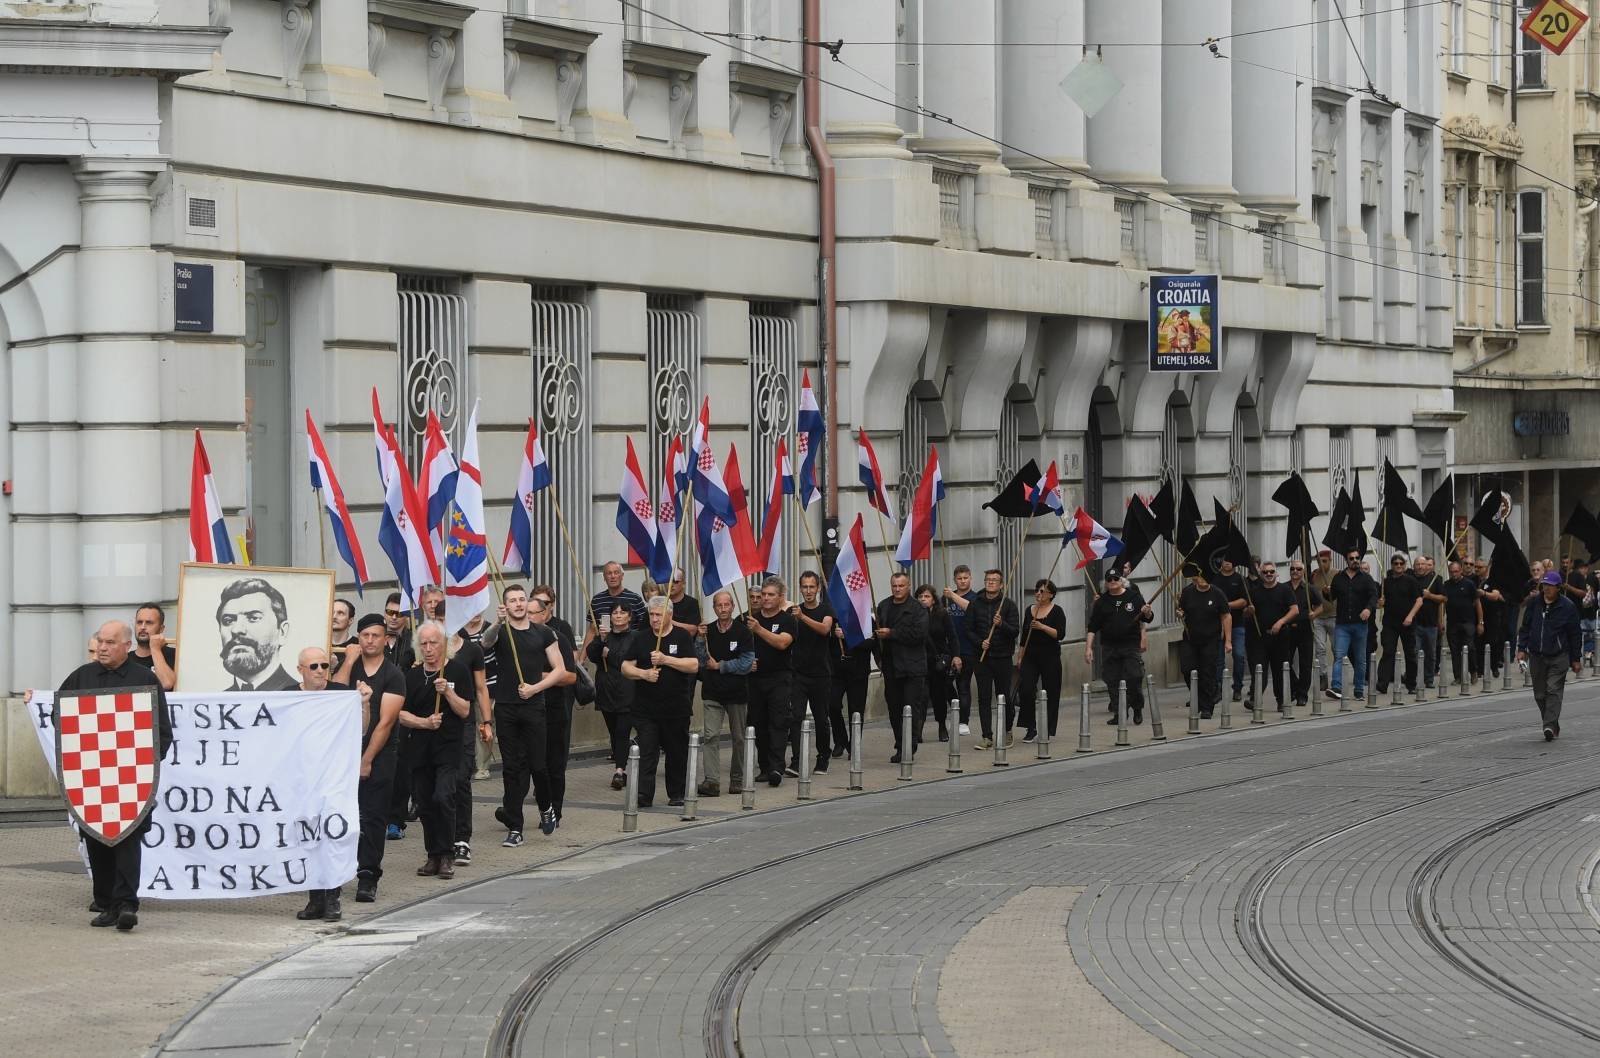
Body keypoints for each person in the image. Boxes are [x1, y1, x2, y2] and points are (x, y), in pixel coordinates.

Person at [48, 621, 172, 931]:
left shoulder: (144, 679)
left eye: (109, 642)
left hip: (131, 780)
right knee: (97, 840)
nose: (102, 647)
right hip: (90, 778)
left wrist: (145, 764)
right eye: (100, 642)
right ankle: (105, 903)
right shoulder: (81, 677)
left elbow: (162, 731)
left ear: (126, 646)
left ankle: (127, 905)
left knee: (128, 841)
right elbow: (59, 717)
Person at [482, 584, 566, 847]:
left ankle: (546, 806)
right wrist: (497, 621)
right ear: (505, 605)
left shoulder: (543, 633)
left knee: (538, 766)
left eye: (521, 599)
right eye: (512, 600)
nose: (518, 604)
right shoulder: (501, 631)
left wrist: (535, 688)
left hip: (533, 706)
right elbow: (485, 642)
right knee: (512, 769)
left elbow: (560, 669)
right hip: (506, 707)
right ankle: (515, 827)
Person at [292, 645, 369, 922]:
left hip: (334, 779)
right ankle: (315, 899)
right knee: (309, 839)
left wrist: (364, 703)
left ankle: (333, 898)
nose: (321, 672)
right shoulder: (286, 695)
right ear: (300, 669)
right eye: (314, 667)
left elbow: (361, 729)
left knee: (333, 836)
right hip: (301, 780)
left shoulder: (340, 694)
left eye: (325, 666)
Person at [400, 622, 473, 880]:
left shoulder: (457, 671)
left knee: (444, 797)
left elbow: (465, 710)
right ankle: (432, 854)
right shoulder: (412, 676)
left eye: (434, 643)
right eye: (424, 644)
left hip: (448, 747)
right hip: (420, 748)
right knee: (425, 803)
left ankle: (447, 854)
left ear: (445, 645)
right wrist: (423, 723)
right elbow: (401, 713)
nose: (429, 649)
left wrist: (448, 693)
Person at [342, 614, 406, 903]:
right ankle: (337, 874)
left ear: (385, 639)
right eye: (365, 635)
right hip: (342, 754)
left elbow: (385, 723)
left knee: (373, 817)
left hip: (379, 755)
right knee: (343, 815)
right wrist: (346, 661)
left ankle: (368, 876)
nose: (370, 641)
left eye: (375, 636)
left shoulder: (393, 675)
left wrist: (366, 760)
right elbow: (333, 694)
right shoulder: (350, 667)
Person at [621, 595, 699, 806]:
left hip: (676, 707)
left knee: (676, 752)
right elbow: (626, 667)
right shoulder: (640, 638)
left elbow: (693, 665)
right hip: (646, 708)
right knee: (647, 752)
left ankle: (677, 793)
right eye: (651, 615)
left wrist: (666, 660)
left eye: (658, 615)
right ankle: (644, 795)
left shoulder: (682, 637)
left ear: (670, 615)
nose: (654, 619)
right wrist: (643, 674)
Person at [693, 590, 752, 796]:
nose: (723, 609)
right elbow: (699, 660)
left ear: (733, 607)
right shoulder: (707, 630)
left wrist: (721, 666)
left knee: (738, 738)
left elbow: (746, 663)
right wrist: (700, 640)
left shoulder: (743, 632)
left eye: (727, 605)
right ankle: (712, 780)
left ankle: (736, 778)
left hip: (736, 693)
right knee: (710, 736)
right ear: (715, 608)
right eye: (719, 605)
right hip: (712, 693)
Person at [530, 584, 579, 827]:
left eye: (544, 605)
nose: (538, 610)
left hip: (556, 706)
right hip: (529, 708)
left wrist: (543, 677)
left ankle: (554, 810)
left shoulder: (560, 631)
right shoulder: (521, 634)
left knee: (554, 763)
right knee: (530, 763)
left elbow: (571, 675)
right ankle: (515, 809)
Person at [1517, 570, 1583, 740]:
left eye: (1550, 586)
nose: (1546, 589)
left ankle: (1548, 726)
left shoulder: (1567, 607)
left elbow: (1575, 634)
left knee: (1553, 690)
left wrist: (1576, 659)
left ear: (1558, 588)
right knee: (1540, 694)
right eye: (1544, 585)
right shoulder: (1534, 603)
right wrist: (1521, 649)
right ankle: (1552, 723)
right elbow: (1525, 627)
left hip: (1559, 655)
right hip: (1537, 655)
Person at [448, 611, 491, 865]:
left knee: (461, 778)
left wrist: (486, 722)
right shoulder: (423, 648)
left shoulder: (472, 651)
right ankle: (442, 840)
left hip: (464, 723)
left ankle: (462, 838)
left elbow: (481, 688)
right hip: (434, 724)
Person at [745, 577, 796, 785]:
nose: (765, 598)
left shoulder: (786, 620)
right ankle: (764, 766)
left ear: (781, 597)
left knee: (778, 722)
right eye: (764, 594)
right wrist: (747, 662)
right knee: (758, 723)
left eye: (770, 595)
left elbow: (782, 642)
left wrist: (759, 630)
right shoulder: (750, 619)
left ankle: (776, 767)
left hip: (779, 678)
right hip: (756, 680)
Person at [875, 571, 929, 762]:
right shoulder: (883, 606)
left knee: (910, 709)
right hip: (891, 667)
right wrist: (878, 658)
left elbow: (919, 634)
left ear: (908, 586)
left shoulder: (918, 608)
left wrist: (892, 633)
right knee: (894, 709)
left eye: (901, 586)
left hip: (912, 667)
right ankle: (900, 743)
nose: (897, 589)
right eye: (894, 586)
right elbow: (876, 635)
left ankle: (909, 746)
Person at [589, 604, 641, 791]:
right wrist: (600, 641)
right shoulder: (605, 637)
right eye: (615, 613)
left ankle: (620, 771)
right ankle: (623, 760)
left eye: (622, 612)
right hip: (606, 691)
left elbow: (624, 661)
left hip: (627, 692)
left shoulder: (635, 637)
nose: (618, 616)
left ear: (629, 616)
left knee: (622, 731)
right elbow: (592, 655)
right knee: (614, 732)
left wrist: (609, 653)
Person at [965, 570, 1019, 749]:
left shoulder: (1009, 605)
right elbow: (968, 630)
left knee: (1003, 695)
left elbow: (1015, 631)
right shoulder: (975, 604)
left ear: (1001, 584)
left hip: (1002, 657)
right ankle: (987, 736)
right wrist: (980, 643)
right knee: (984, 697)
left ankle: (1007, 730)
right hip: (982, 658)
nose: (990, 583)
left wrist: (1001, 624)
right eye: (988, 580)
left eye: (994, 580)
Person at [1086, 567, 1147, 724]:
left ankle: (1137, 707)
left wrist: (1147, 613)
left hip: (1130, 645)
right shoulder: (1101, 602)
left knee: (1134, 677)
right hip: (1110, 646)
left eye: (1116, 579)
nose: (1113, 582)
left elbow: (1147, 618)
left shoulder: (1134, 597)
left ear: (1122, 580)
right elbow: (1092, 627)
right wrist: (1088, 648)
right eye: (1109, 580)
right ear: (1106, 583)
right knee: (1112, 680)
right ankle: (1119, 713)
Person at [216, 577, 298, 690]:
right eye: (228, 621)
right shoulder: (216, 703)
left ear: (282, 632)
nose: (236, 629)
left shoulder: (299, 699)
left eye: (253, 618)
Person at [789, 571, 835, 772]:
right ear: (800, 588)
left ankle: (824, 755)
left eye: (811, 587)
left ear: (817, 589)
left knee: (820, 718)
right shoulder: (794, 612)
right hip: (798, 673)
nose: (808, 591)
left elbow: (824, 629)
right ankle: (797, 760)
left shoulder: (826, 609)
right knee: (795, 717)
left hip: (820, 674)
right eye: (804, 587)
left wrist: (803, 617)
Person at [1244, 561, 1300, 710]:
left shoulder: (1285, 590)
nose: (1268, 574)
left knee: (1279, 670)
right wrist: (1249, 611)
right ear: (1261, 574)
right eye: (1265, 572)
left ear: (1276, 573)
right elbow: (1246, 613)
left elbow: (1294, 610)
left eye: (1271, 572)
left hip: (1280, 637)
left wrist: (1280, 622)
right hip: (1260, 637)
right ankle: (1255, 699)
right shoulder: (1254, 591)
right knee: (1259, 668)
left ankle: (1281, 700)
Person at [1014, 579, 1065, 741]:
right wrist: (1020, 656)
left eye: (1042, 591)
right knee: (1027, 690)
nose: (1038, 593)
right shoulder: (1030, 610)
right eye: (1037, 590)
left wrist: (1042, 627)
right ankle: (1030, 727)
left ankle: (1049, 728)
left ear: (1051, 594)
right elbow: (1024, 637)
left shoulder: (1057, 611)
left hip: (1050, 655)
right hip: (1030, 655)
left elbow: (1060, 634)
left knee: (1052, 691)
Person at [1177, 566, 1231, 718]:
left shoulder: (1217, 594)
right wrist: (1179, 613)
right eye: (1198, 576)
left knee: (1207, 672)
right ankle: (1199, 698)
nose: (1200, 579)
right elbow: (1182, 610)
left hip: (1210, 639)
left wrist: (1228, 640)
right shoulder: (1188, 592)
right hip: (1190, 638)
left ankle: (1207, 706)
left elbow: (1226, 616)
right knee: (1187, 669)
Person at [1325, 549, 1378, 700]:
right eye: (1351, 558)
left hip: (1360, 625)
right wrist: (1326, 592)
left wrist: (1368, 609)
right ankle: (1336, 686)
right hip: (1342, 624)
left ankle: (1359, 689)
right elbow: (1331, 598)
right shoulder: (1338, 578)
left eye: (1357, 558)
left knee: (1360, 659)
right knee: (1340, 655)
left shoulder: (1366, 579)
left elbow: (1373, 596)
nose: (1355, 560)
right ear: (1346, 560)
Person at [1374, 553, 1423, 697]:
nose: (1399, 566)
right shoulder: (1386, 582)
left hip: (1407, 623)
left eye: (1401, 564)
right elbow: (1378, 603)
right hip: (1390, 623)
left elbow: (1419, 601)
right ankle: (1382, 684)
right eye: (1396, 563)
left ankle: (1411, 684)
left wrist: (1410, 616)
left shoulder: (1411, 581)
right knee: (1388, 651)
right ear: (1392, 565)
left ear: (1405, 565)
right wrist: (1380, 603)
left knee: (1410, 654)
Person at [918, 585, 958, 740]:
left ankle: (942, 726)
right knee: (921, 696)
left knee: (939, 695)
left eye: (926, 596)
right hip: (920, 661)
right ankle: (918, 730)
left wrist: (955, 656)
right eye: (920, 596)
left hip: (938, 662)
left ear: (933, 599)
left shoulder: (942, 614)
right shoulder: (915, 615)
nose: (923, 599)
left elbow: (952, 637)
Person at [942, 566, 978, 736]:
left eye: (965, 578)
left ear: (970, 578)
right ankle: (956, 709)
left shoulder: (976, 598)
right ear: (955, 579)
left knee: (963, 685)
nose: (963, 581)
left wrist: (953, 596)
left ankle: (964, 721)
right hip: (948, 650)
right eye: (959, 578)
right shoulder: (946, 598)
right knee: (946, 683)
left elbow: (970, 608)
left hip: (967, 649)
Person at [830, 621, 874, 759]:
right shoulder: (832, 618)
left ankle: (854, 744)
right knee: (832, 704)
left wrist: (848, 637)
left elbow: (871, 643)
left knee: (856, 709)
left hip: (858, 670)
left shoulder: (865, 618)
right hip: (836, 671)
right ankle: (841, 741)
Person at [585, 561, 648, 656]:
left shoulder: (635, 599)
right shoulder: (597, 600)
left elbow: (645, 628)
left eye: (616, 572)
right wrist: (581, 659)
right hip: (604, 654)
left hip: (630, 653)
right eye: (609, 573)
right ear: (604, 577)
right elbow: (592, 630)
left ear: (622, 576)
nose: (613, 576)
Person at [1285, 560, 1322, 708]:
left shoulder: (1309, 589)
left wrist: (1314, 614)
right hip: (1288, 629)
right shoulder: (1284, 588)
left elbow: (1320, 607)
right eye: (1293, 569)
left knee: (1305, 663)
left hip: (1305, 629)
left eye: (1298, 569)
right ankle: (1295, 686)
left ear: (1303, 572)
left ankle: (1302, 695)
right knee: (1285, 660)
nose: (1295, 571)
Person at [1212, 557, 1250, 702]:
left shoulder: (1239, 579)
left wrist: (1226, 605)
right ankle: (1218, 689)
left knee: (1239, 656)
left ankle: (1238, 687)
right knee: (1218, 659)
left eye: (1230, 559)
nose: (1227, 562)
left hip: (1237, 624)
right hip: (1218, 625)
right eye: (1224, 559)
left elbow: (1244, 601)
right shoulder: (1215, 579)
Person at [1442, 559, 1483, 687]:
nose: (1454, 574)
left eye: (1456, 571)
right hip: (1452, 623)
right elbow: (1443, 604)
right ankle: (1458, 677)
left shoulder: (1469, 584)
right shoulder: (1446, 585)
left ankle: (1473, 671)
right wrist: (1440, 621)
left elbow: (1477, 603)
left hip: (1468, 622)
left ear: (1460, 571)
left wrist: (1480, 622)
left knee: (1469, 647)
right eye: (1451, 572)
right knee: (1454, 651)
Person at [1414, 555, 1445, 689]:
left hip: (1431, 623)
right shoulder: (1412, 579)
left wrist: (1429, 595)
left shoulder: (1436, 579)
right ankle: (1415, 678)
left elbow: (1443, 598)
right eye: (1419, 564)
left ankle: (1429, 679)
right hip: (1416, 623)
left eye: (1425, 564)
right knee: (1415, 652)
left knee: (1430, 654)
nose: (1422, 567)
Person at [130, 602, 177, 690]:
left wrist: (155, 649)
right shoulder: (125, 659)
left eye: (149, 623)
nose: (143, 627)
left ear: (161, 629)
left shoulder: (175, 656)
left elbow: (166, 684)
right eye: (139, 622)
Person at [1474, 557, 1507, 679]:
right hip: (1476, 616)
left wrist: (1484, 593)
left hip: (1492, 616)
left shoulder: (1493, 581)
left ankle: (1494, 666)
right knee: (1478, 643)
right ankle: (1480, 669)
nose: (1476, 569)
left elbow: (1496, 596)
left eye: (1480, 567)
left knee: (1493, 642)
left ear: (1486, 568)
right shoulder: (1473, 580)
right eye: (1475, 567)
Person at [1310, 550, 1337, 690]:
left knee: (1336, 648)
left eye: (1324, 561)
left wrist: (1331, 591)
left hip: (1334, 616)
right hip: (1318, 617)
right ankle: (1323, 676)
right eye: (1319, 561)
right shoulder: (1314, 575)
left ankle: (1337, 677)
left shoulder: (1337, 574)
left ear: (1330, 560)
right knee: (1320, 648)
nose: (1321, 564)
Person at [382, 592, 416, 670]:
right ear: (384, 613)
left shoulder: (415, 640)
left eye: (399, 614)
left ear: (406, 616)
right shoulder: (375, 637)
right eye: (390, 612)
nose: (394, 617)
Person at [668, 569, 701, 636]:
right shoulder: (661, 602)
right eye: (669, 581)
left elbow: (692, 631)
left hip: (684, 644)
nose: (671, 585)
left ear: (683, 584)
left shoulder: (692, 603)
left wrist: (669, 622)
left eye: (676, 582)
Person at [330, 599, 358, 671]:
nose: (334, 616)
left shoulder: (358, 645)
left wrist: (337, 667)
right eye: (332, 612)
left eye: (340, 613)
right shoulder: (319, 643)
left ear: (350, 620)